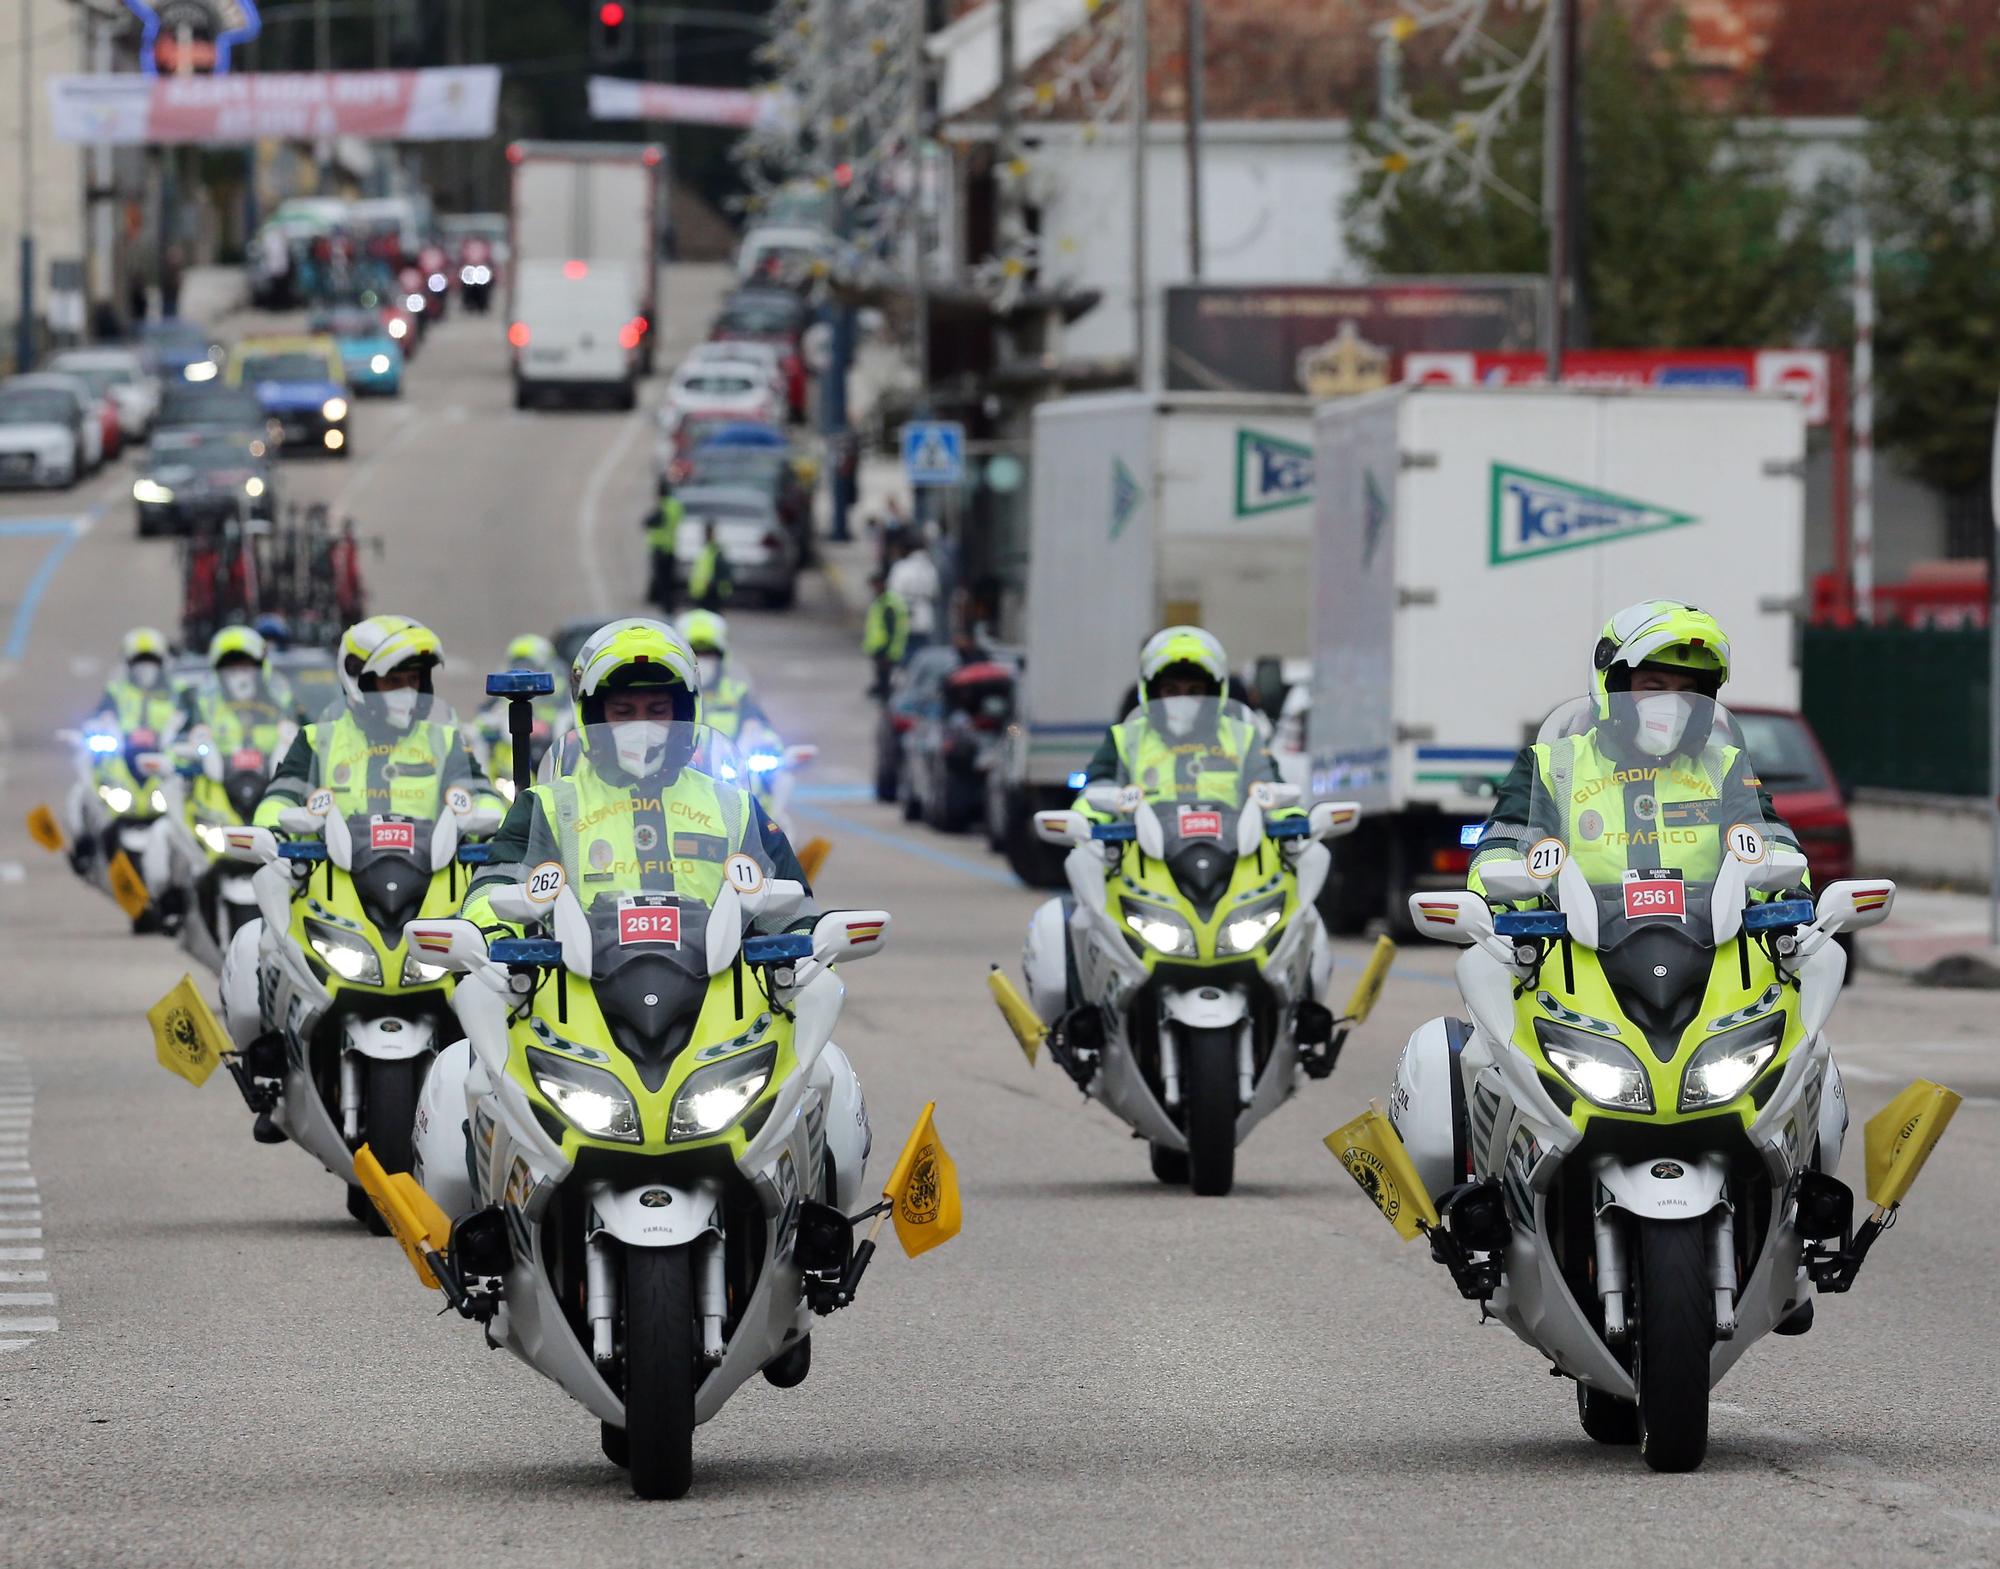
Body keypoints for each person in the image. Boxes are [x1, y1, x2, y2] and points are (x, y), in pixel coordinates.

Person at [219, 615, 501, 1141]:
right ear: (357, 678)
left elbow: (481, 793)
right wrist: (277, 829)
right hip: (335, 890)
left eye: (414, 680)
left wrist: (481, 816)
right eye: (393, 680)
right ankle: (270, 1074)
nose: (405, 692)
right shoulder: (317, 739)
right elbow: (277, 798)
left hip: (426, 888)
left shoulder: (445, 739)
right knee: (251, 946)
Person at [463, 617, 817, 931]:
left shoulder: (733, 809)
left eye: (658, 710)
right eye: (624, 711)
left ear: (683, 712)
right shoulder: (548, 807)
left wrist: (806, 950)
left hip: (718, 999)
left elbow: (797, 913)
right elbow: (490, 894)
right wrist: (492, 934)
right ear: (595, 718)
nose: (642, 724)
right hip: (578, 996)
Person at [1466, 599, 1802, 897]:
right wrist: (1494, 903)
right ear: (1613, 686)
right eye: (1653, 687)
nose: (1672, 705)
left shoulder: (1724, 768)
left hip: (1709, 953)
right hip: (1573, 955)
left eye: (1688, 692)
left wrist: (1787, 894)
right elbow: (1504, 847)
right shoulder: (1552, 766)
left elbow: (1770, 845)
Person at [1072, 626, 1286, 809]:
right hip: (1143, 852)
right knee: (1082, 859)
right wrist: (1090, 818)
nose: (1182, 700)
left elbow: (1272, 792)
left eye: (1194, 692)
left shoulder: (1243, 738)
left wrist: (1290, 818)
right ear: (1154, 693)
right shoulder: (1126, 738)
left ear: (1212, 693)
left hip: (1234, 853)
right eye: (1171, 691)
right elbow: (1096, 792)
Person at [680, 609, 770, 742]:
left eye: (709, 653)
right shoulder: (670, 695)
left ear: (722, 657)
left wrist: (757, 734)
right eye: (696, 653)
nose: (702, 660)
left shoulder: (737, 694)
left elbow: (766, 733)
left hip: (728, 762)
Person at [885, 532, 939, 656]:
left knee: (905, 651)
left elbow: (893, 593)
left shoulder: (900, 567)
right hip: (924, 613)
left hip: (903, 612)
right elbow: (935, 592)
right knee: (922, 652)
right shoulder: (929, 568)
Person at [861, 571, 908, 698]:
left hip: (886, 648)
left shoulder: (888, 603)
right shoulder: (881, 600)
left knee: (886, 678)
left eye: (875, 585)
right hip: (879, 646)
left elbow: (891, 629)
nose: (873, 588)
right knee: (881, 675)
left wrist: (887, 651)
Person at [645, 486, 683, 613]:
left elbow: (650, 521)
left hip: (660, 548)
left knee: (663, 581)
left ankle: (666, 606)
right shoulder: (676, 506)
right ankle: (664, 602)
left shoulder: (664, 507)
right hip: (671, 548)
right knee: (669, 580)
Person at [687, 521, 732, 611]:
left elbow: (723, 571)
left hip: (711, 590)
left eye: (708, 533)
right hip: (701, 590)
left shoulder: (715, 551)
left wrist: (715, 583)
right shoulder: (706, 549)